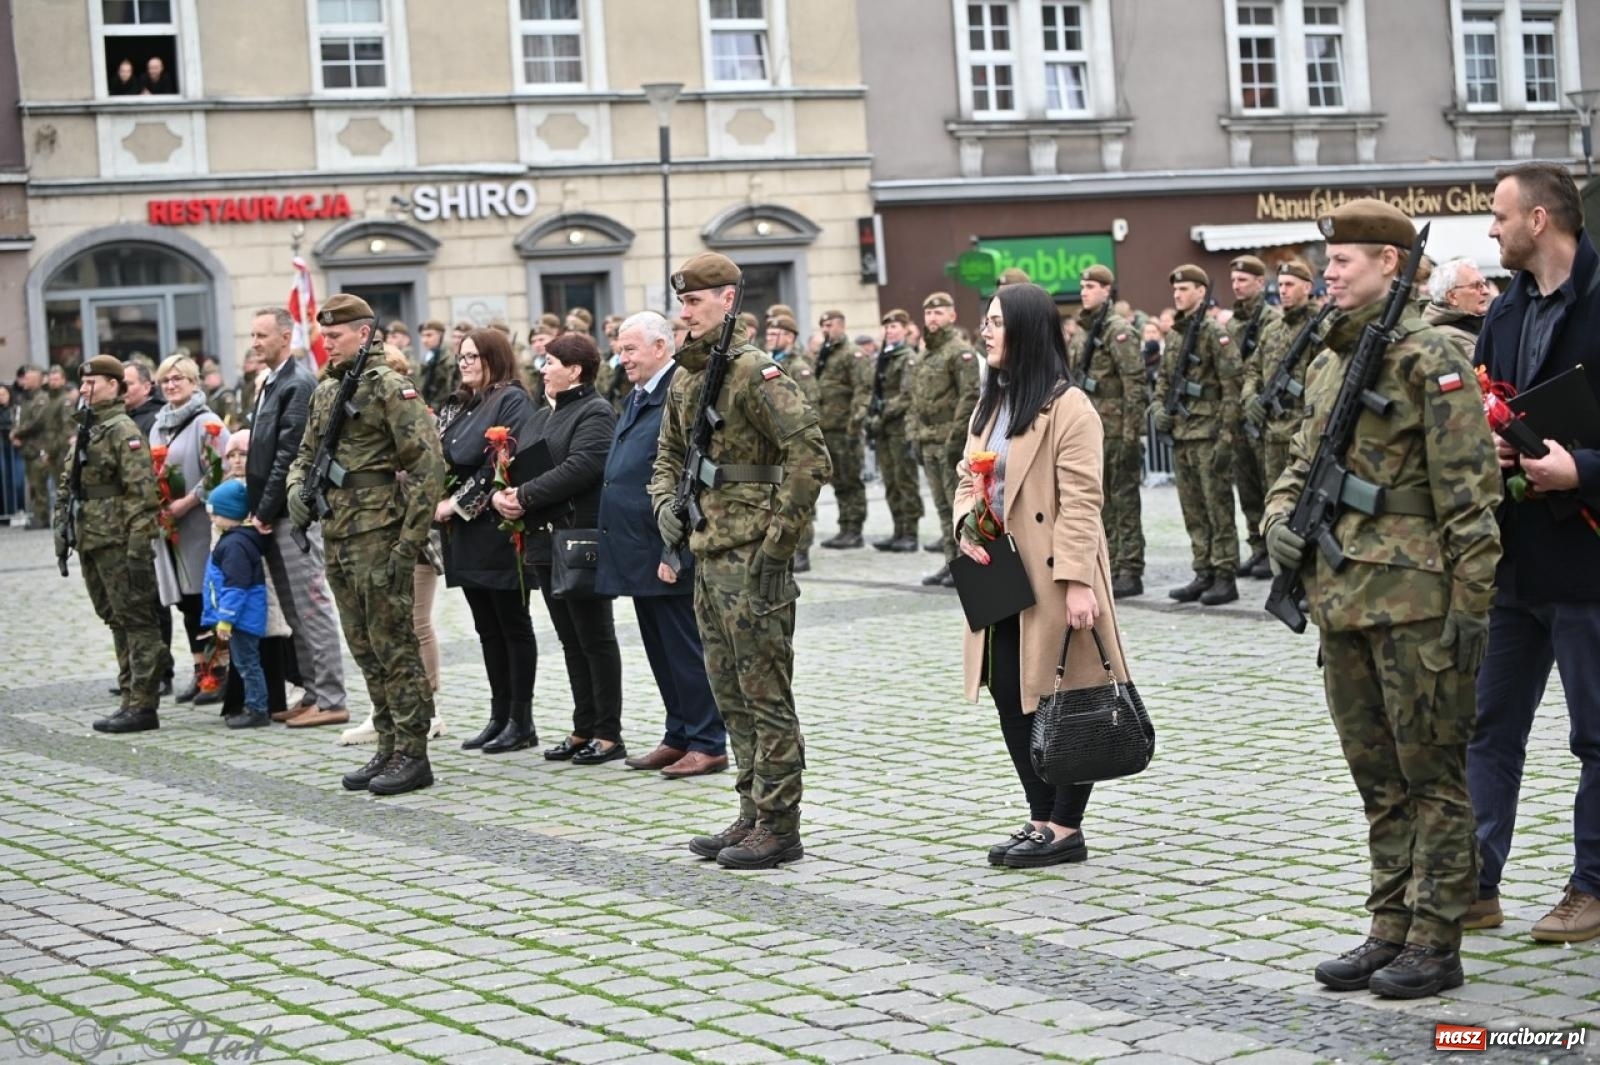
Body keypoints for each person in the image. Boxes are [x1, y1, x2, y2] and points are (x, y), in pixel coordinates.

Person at [1263, 198, 1502, 999]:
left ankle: (1437, 936)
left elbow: (1471, 500)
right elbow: (1299, 465)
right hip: (1342, 602)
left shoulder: (1431, 357)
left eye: (1343, 260)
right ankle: (1389, 924)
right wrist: (1276, 526)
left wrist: (1468, 616)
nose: (1328, 272)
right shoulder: (1332, 358)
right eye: (1327, 261)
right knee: (1377, 780)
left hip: (1417, 605)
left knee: (1431, 774)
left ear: (1390, 265)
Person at [651, 252, 831, 869]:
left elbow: (809, 457)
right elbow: (668, 456)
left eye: (695, 301)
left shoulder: (757, 374)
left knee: (766, 694)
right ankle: (751, 811)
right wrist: (664, 507)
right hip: (708, 553)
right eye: (682, 302)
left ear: (727, 301)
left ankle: (781, 824)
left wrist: (780, 545)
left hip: (754, 558)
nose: (685, 311)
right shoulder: (686, 377)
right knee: (730, 692)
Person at [955, 281, 1131, 868]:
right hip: (997, 566)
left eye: (998, 322)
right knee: (1009, 691)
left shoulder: (1069, 406)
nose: (987, 330)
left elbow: (1083, 500)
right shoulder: (993, 403)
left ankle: (1065, 826)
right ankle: (1038, 816)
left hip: (1054, 571)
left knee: (1064, 693)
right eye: (987, 320)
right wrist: (965, 528)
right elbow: (966, 478)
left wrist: (1079, 580)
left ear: (1027, 331)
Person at [1468, 162, 1600, 943]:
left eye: (1499, 213)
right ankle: (1476, 884)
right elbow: (1492, 404)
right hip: (1515, 559)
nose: (1492, 226)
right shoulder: (1506, 306)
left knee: (1596, 735)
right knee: (1490, 723)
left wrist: (1578, 469)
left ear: (1541, 220)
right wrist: (1493, 449)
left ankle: (1591, 885)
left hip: (1587, 560)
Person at [286, 294, 446, 796]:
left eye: (335, 335)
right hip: (339, 533)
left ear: (364, 333)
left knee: (394, 645)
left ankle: (413, 753)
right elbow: (305, 455)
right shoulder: (326, 391)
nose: (326, 342)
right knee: (364, 646)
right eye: (324, 335)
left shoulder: (390, 389)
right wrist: (296, 490)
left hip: (381, 533)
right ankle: (387, 740)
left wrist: (410, 540)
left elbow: (428, 466)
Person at [600, 312, 728, 777]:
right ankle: (679, 733)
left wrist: (674, 547)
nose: (622, 356)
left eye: (630, 348)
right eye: (620, 347)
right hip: (637, 543)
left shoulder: (680, 389)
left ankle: (708, 740)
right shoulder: (639, 394)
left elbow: (685, 472)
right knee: (658, 646)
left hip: (667, 543)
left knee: (683, 647)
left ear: (661, 347)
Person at [493, 333, 623, 766]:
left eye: (550, 361)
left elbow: (583, 466)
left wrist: (524, 495)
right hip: (543, 540)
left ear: (576, 370)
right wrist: (503, 494)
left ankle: (607, 732)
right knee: (569, 639)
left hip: (577, 538)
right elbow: (516, 464)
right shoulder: (541, 415)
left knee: (594, 636)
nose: (542, 368)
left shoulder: (595, 411)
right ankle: (582, 725)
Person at [433, 329, 539, 754]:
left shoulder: (511, 399)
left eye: (474, 356)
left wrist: (456, 503)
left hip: (496, 529)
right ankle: (498, 715)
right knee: (486, 628)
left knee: (512, 624)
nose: (466, 363)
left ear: (494, 357)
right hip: (466, 535)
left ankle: (522, 719)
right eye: (461, 357)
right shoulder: (462, 403)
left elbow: (500, 462)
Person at [243, 308, 349, 728]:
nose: (254, 343)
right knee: (293, 608)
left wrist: (264, 510)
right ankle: (313, 690)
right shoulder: (273, 382)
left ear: (285, 337)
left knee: (311, 606)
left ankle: (332, 697)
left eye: (261, 335)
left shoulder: (298, 382)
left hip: (293, 515)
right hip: (274, 513)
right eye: (251, 334)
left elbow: (289, 455)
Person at [56, 356, 165, 733]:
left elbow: (142, 493)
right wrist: (63, 531)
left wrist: (138, 545)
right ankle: (128, 697)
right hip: (93, 538)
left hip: (118, 539)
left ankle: (144, 704)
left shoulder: (122, 430)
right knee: (116, 619)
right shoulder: (90, 427)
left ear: (115, 386)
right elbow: (70, 485)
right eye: (83, 383)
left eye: (94, 383)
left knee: (137, 620)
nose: (85, 389)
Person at [1151, 265, 1243, 606]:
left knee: (1217, 507)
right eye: (1176, 289)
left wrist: (1226, 437)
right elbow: (1163, 380)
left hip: (1208, 433)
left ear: (1202, 292)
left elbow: (1233, 386)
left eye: (1186, 289)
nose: (1178, 294)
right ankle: (1203, 570)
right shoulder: (1175, 334)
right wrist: (1159, 408)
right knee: (1192, 509)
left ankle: (1225, 574)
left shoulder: (1213, 333)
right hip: (1183, 434)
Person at [150, 354, 231, 703]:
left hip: (198, 523)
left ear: (194, 383)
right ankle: (200, 672)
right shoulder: (158, 425)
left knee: (203, 599)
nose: (170, 385)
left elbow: (221, 470)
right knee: (184, 601)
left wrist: (189, 500)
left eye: (178, 379)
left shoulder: (206, 422)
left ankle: (219, 672)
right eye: (165, 380)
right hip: (171, 528)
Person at [1067, 265, 1148, 598]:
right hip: (1091, 430)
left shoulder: (1118, 331)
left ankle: (1130, 568)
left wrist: (1132, 435)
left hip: (1115, 429)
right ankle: (1111, 563)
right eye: (1083, 286)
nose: (1084, 291)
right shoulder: (1084, 331)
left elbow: (1135, 384)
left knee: (1123, 501)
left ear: (1106, 290)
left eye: (1091, 286)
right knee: (1100, 503)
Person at [909, 293, 982, 587]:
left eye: (939, 313)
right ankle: (951, 562)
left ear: (952, 316)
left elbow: (969, 396)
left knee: (959, 505)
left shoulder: (959, 352)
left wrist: (956, 439)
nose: (933, 319)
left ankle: (965, 562)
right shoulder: (926, 353)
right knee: (941, 506)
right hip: (928, 440)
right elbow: (916, 397)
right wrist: (915, 433)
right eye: (928, 314)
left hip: (950, 440)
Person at [1244, 260, 1327, 494]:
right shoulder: (1272, 330)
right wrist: (1250, 397)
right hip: (1271, 433)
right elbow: (1253, 370)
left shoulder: (1322, 327)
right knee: (1274, 500)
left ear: (1307, 288)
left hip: (1304, 435)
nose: (1283, 290)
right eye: (1280, 284)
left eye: (1289, 284)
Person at [1225, 255, 1284, 581]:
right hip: (1237, 414)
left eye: (1243, 280)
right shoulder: (1233, 325)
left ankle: (1272, 548)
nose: (1237, 285)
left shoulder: (1271, 320)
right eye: (1234, 280)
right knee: (1246, 487)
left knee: (1267, 484)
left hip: (1263, 416)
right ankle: (1257, 547)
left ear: (1260, 282)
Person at [201, 479, 271, 730]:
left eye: (216, 514)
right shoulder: (236, 539)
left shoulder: (235, 545)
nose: (213, 519)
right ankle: (254, 706)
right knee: (246, 662)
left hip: (241, 618)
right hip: (241, 617)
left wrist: (226, 619)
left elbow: (236, 586)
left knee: (247, 664)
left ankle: (257, 709)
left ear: (231, 514)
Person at [814, 310, 871, 549]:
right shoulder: (825, 354)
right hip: (828, 428)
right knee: (838, 481)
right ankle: (844, 526)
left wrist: (854, 424)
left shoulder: (853, 354)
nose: (826, 330)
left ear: (841, 326)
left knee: (851, 480)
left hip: (846, 428)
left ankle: (854, 529)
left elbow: (862, 390)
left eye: (830, 325)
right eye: (823, 326)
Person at [767, 314, 819, 571]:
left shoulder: (798, 366)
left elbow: (811, 403)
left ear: (789, 337)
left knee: (799, 496)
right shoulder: (769, 362)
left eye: (775, 333)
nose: (769, 337)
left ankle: (803, 550)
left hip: (796, 440)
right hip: (775, 440)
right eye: (769, 333)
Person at [868, 309, 923, 552]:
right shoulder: (884, 356)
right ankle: (898, 529)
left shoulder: (907, 357)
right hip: (883, 429)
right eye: (887, 327)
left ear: (905, 329)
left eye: (895, 327)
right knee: (890, 481)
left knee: (905, 480)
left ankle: (910, 533)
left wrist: (883, 411)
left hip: (899, 428)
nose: (890, 331)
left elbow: (907, 396)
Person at [1423, 257, 1491, 361]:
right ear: (1452, 297)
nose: (1486, 291)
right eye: (1477, 286)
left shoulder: (1469, 325)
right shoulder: (1449, 337)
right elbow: (1485, 368)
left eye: (1484, 284)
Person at [416, 319, 459, 411]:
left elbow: (449, 388)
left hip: (443, 409)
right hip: (429, 406)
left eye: (429, 335)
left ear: (440, 335)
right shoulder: (429, 356)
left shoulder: (449, 357)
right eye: (422, 336)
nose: (424, 340)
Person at [123, 361, 162, 438]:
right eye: (119, 385)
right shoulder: (119, 416)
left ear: (146, 388)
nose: (121, 389)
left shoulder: (157, 419)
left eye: (127, 384)